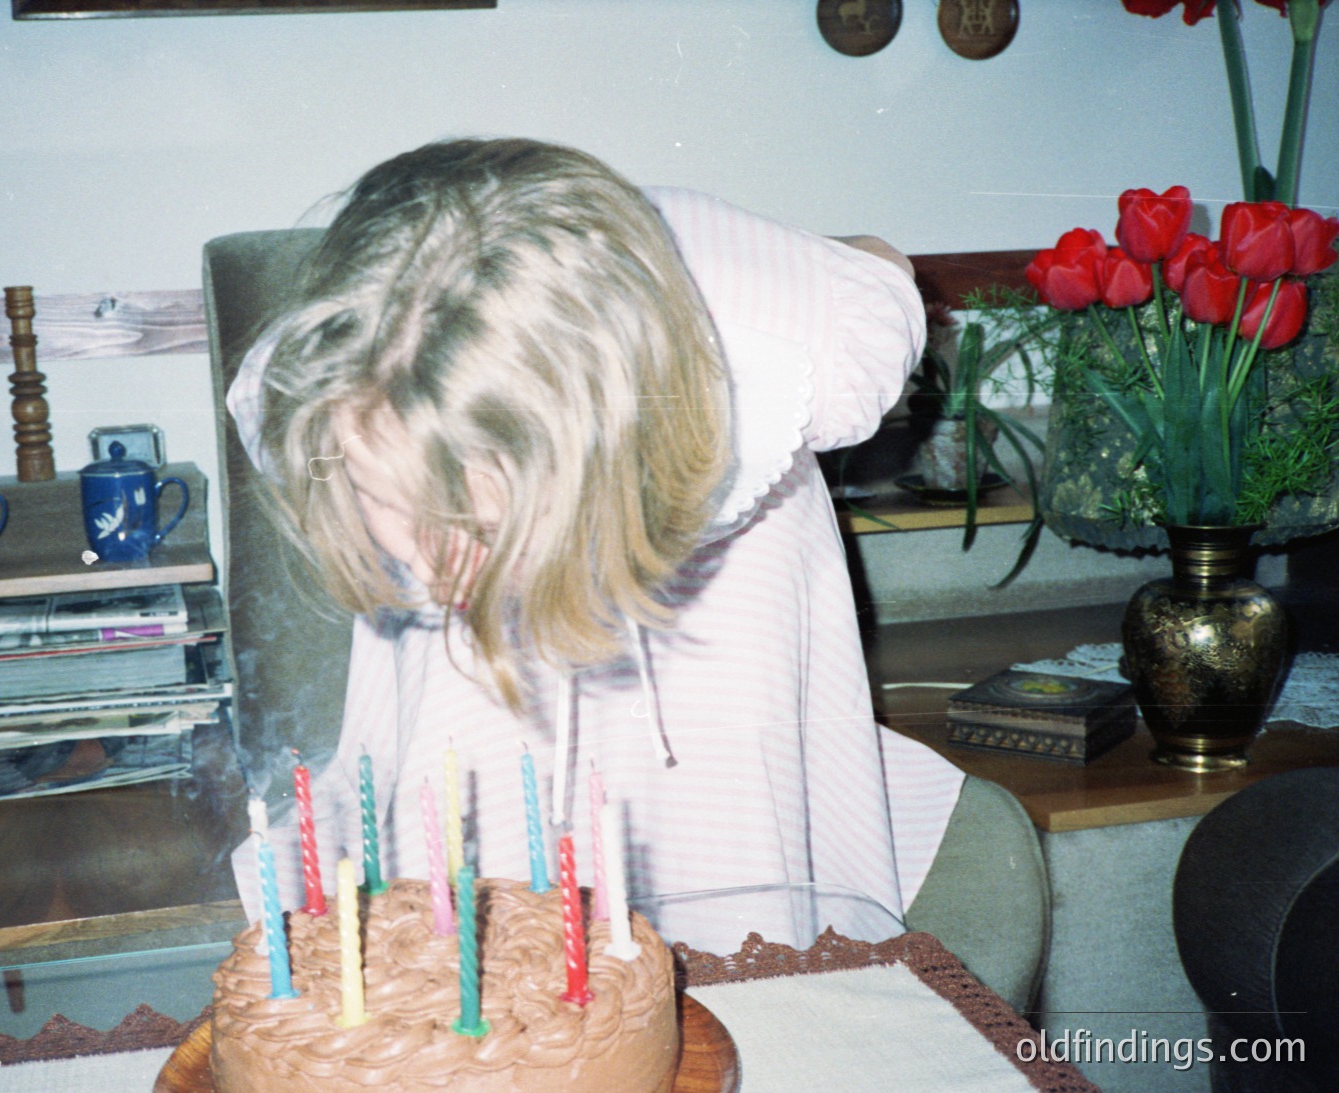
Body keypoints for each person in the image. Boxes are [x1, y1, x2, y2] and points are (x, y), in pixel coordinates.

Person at [226, 137, 964, 954]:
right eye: (390, 499)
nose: (429, 564)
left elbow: (880, 269)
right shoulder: (318, 372)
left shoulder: (790, 346)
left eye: (476, 521)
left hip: (721, 659)